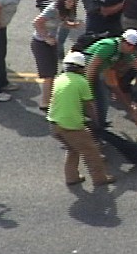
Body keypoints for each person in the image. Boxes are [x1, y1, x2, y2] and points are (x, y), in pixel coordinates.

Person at [47, 52, 115, 187]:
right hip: (70, 125)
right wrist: (96, 122)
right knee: (91, 152)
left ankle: (72, 177)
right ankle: (100, 178)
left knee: (73, 149)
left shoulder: (60, 79)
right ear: (80, 68)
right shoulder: (81, 82)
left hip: (53, 123)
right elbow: (89, 105)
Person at [84, 29, 137, 130]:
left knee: (104, 99)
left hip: (98, 73)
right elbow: (91, 67)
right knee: (87, 101)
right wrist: (87, 89)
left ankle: (99, 126)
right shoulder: (108, 46)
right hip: (83, 74)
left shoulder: (123, 51)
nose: (133, 51)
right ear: (127, 44)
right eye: (133, 48)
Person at [31, 0, 80, 110]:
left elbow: (60, 22)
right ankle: (45, 103)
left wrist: (72, 25)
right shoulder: (52, 9)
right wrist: (46, 37)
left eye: (72, 2)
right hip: (41, 43)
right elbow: (37, 22)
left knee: (52, 73)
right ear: (62, 1)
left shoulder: (63, 11)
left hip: (51, 43)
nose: (71, 4)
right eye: (68, 2)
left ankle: (50, 99)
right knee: (48, 75)